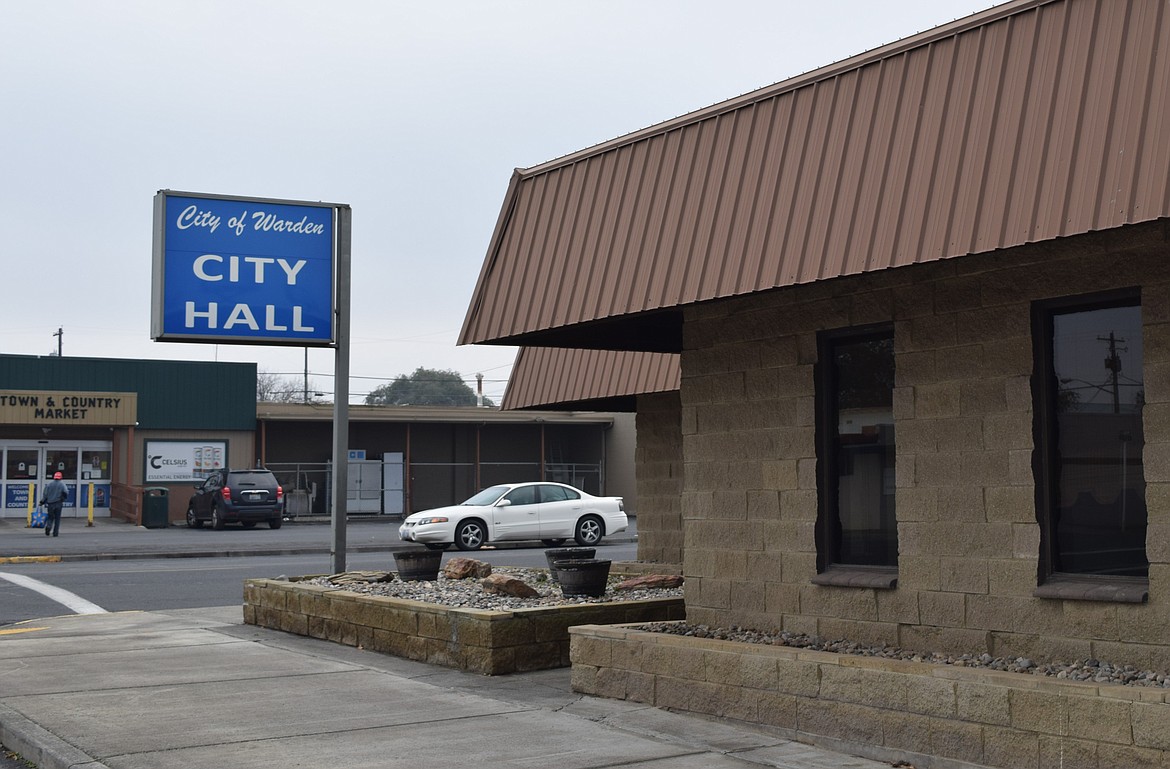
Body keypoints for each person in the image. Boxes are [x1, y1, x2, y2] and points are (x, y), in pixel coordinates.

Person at [39, 471, 68, 537]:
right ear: (61, 477)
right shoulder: (62, 484)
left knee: (50, 517)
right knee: (57, 519)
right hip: (58, 503)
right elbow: (66, 492)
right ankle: (55, 533)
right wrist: (63, 498)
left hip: (50, 504)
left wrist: (42, 502)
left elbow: (45, 494)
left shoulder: (49, 484)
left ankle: (48, 527)